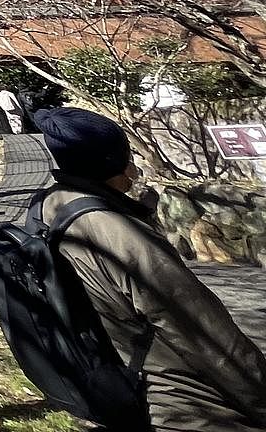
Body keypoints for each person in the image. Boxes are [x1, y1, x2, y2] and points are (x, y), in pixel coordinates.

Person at [34, 107, 266, 432]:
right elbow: (206, 335)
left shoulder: (49, 208)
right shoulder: (117, 235)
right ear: (110, 163)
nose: (133, 167)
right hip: (187, 405)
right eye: (126, 158)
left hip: (122, 389)